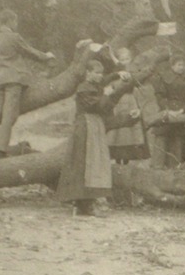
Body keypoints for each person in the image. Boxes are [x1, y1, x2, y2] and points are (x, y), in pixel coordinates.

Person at [56, 51, 141, 216]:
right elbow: (99, 107)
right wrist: (110, 93)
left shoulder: (95, 87)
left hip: (94, 127)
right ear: (88, 73)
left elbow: (106, 105)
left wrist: (129, 117)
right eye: (96, 73)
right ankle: (83, 204)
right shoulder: (84, 89)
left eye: (101, 73)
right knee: (85, 165)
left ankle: (86, 204)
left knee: (94, 165)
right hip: (85, 128)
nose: (99, 76)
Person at [0, 9, 55, 160]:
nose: (16, 24)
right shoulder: (14, 37)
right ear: (10, 21)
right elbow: (30, 52)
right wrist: (46, 56)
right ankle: (0, 150)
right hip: (13, 79)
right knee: (8, 115)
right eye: (15, 21)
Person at [149, 56, 185, 168]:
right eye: (179, 65)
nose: (182, 67)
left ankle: (183, 164)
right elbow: (160, 95)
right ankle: (162, 165)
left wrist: (184, 109)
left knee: (183, 136)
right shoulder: (164, 77)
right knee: (164, 135)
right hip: (168, 110)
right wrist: (167, 109)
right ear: (172, 66)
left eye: (183, 65)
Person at [105, 48, 149, 165]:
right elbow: (111, 84)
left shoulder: (133, 71)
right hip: (117, 102)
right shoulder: (117, 72)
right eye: (122, 59)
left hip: (130, 100)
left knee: (130, 130)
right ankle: (117, 159)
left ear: (131, 59)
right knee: (117, 131)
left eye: (127, 58)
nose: (125, 61)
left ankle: (127, 160)